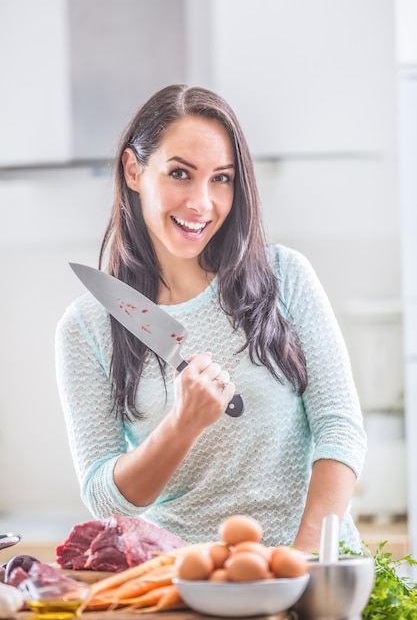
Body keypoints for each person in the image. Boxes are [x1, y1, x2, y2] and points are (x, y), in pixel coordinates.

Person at [55, 84, 367, 553]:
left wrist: (302, 563)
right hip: (191, 580)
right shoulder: (88, 326)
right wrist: (181, 425)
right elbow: (104, 497)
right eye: (180, 173)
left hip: (316, 575)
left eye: (221, 178)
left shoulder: (285, 276)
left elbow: (340, 430)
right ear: (134, 171)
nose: (202, 203)